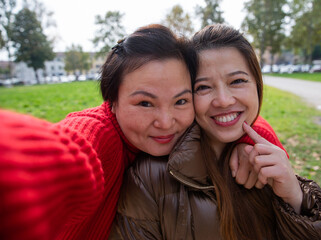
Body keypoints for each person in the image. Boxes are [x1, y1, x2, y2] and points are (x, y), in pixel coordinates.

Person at [0, 24, 283, 240]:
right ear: (111, 102)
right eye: (145, 103)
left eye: (181, 100)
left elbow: (228, 115)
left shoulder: (190, 127)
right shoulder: (101, 135)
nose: (165, 121)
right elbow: (60, 157)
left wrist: (248, 141)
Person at [110, 24, 321, 240]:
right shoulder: (150, 177)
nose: (223, 100)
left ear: (257, 86)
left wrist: (295, 198)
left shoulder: (270, 163)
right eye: (203, 87)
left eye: (237, 81)